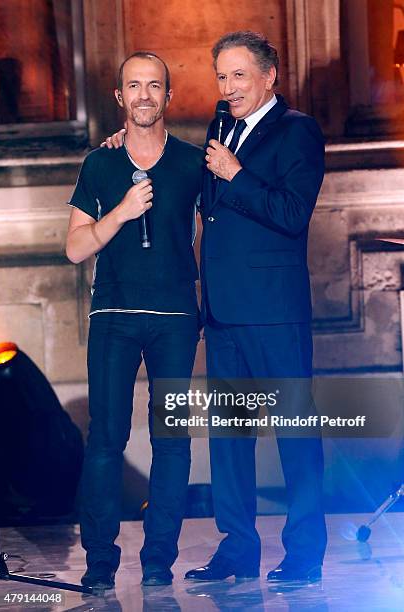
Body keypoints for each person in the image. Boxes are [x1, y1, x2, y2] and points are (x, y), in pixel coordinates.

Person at [104, 31, 327, 584]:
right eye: (221, 77)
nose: (228, 89)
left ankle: (304, 552)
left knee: (296, 433)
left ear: (269, 77)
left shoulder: (297, 131)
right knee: (230, 439)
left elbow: (293, 211)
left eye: (239, 77)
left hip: (275, 311)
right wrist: (129, 143)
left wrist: (237, 175)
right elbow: (189, 187)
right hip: (222, 312)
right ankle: (237, 549)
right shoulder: (219, 128)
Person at [66, 52, 203, 589]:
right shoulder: (100, 164)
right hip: (115, 317)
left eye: (155, 86)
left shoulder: (194, 163)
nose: (144, 95)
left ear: (167, 96)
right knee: (106, 437)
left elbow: (207, 237)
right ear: (120, 98)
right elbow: (76, 248)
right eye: (133, 86)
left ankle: (156, 564)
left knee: (172, 440)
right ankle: (100, 564)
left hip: (174, 317)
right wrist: (120, 211)